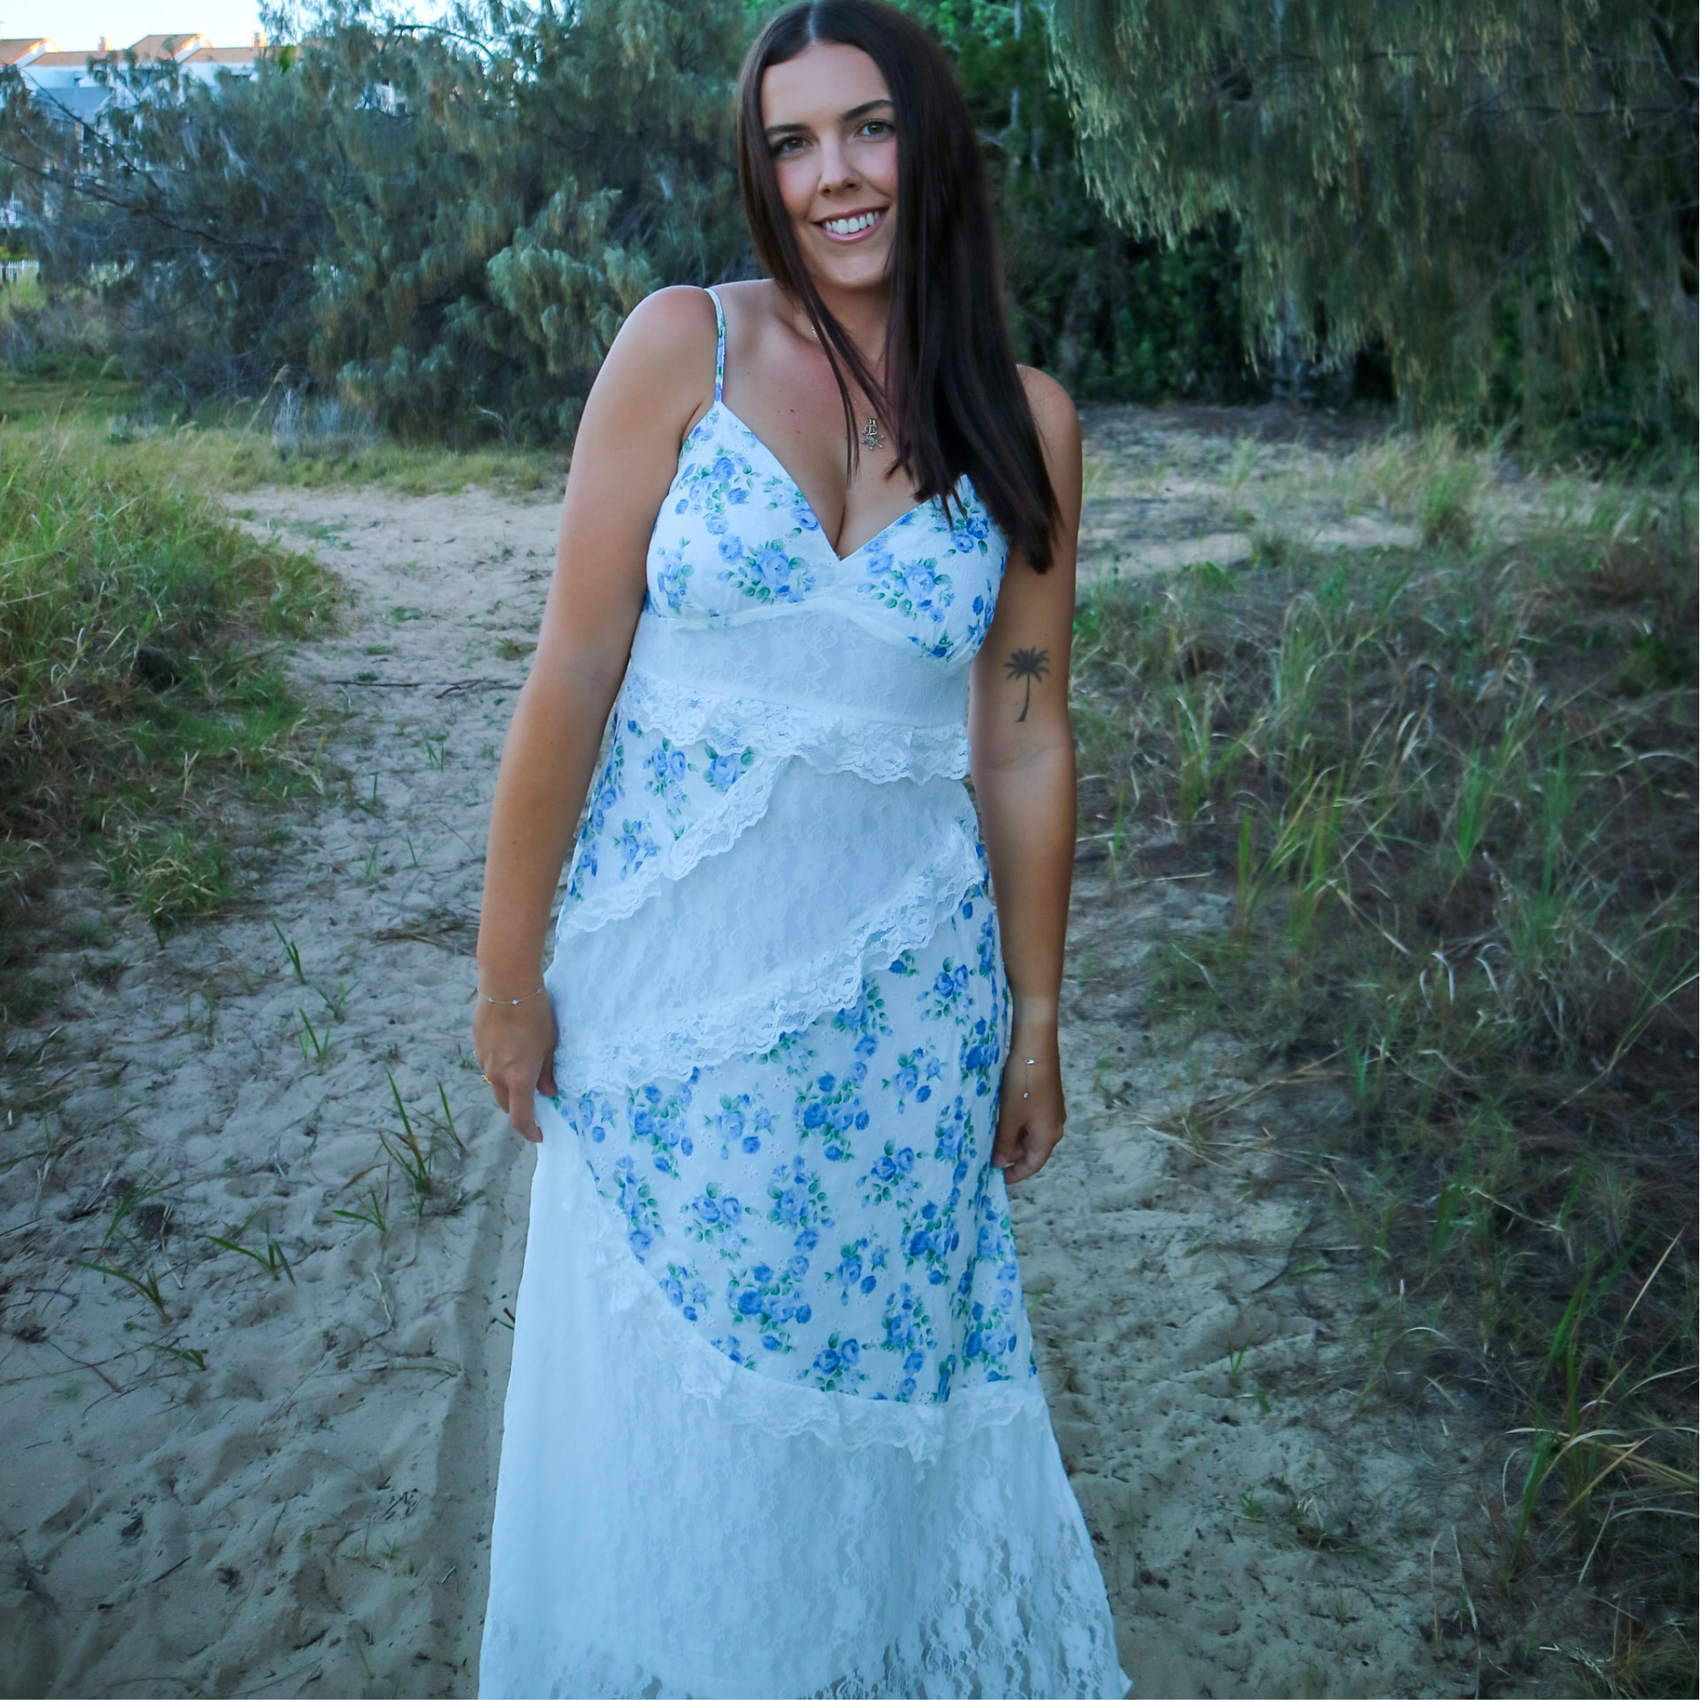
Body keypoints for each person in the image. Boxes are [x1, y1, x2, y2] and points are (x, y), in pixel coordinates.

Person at [471, 2, 1126, 1693]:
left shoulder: (1028, 422)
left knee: (864, 1397)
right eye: (792, 142)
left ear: (932, 146)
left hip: (901, 1020)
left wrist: (1037, 1018)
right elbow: (573, 668)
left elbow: (1022, 734)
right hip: (664, 1001)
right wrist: (507, 975)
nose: (833, 175)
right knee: (672, 1408)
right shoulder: (681, 347)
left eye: (868, 128)